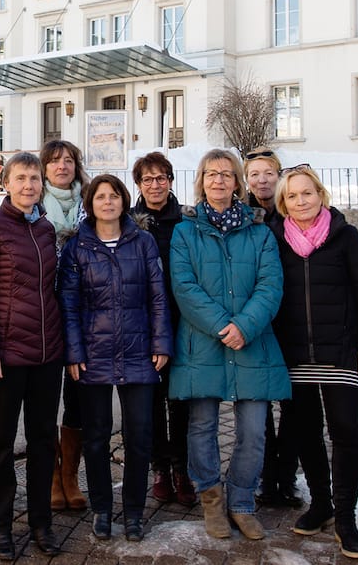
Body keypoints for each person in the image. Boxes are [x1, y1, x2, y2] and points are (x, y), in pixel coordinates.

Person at [168, 148, 290, 541]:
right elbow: (184, 287)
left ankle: (241, 501)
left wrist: (245, 326)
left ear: (238, 182)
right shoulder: (185, 231)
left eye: (226, 174)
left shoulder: (259, 232)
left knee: (253, 430)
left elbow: (271, 285)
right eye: (211, 174)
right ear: (201, 181)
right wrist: (224, 326)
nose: (218, 181)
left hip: (251, 342)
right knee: (201, 426)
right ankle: (211, 500)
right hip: (203, 342)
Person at [271, 164, 358, 559]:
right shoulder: (276, 239)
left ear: (321, 195)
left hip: (341, 353)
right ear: (283, 204)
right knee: (305, 432)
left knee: (345, 432)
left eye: (307, 193)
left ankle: (346, 518)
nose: (301, 201)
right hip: (295, 354)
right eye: (292, 196)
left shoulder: (345, 236)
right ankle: (321, 503)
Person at [59, 174, 172, 542]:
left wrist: (161, 343)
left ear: (124, 201)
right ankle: (103, 510)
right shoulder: (78, 247)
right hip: (93, 354)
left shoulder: (143, 242)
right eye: (100, 197)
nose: (107, 202)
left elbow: (158, 297)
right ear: (90, 204)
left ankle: (135, 512)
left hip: (139, 351)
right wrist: (74, 351)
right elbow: (69, 305)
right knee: (96, 436)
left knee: (139, 436)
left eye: (114, 196)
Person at [0, 151, 64, 560]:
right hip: (4, 359)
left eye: (34, 178)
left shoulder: (45, 228)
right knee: (0, 444)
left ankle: (41, 520)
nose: (29, 185)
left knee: (44, 441)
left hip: (46, 356)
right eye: (20, 178)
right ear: (5, 182)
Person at [130, 152, 196, 507]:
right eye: (147, 179)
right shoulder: (129, 222)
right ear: (138, 185)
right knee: (152, 401)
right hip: (143, 326)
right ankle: (160, 467)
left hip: (183, 322)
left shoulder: (188, 221)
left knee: (181, 399)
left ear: (171, 180)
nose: (154, 185)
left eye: (161, 178)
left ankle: (183, 468)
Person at [243, 146, 303, 509]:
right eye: (254, 174)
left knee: (293, 405)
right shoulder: (245, 217)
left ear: (278, 175)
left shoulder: (292, 211)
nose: (262, 180)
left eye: (268, 173)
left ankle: (287, 476)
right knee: (259, 407)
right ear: (246, 180)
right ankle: (266, 477)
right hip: (258, 322)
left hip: (292, 321)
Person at [39, 139, 91, 512]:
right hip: (40, 317)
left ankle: (70, 475)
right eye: (55, 160)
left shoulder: (91, 205)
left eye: (68, 160)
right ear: (43, 168)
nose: (62, 166)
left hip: (82, 318)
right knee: (43, 400)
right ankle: (52, 475)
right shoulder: (32, 204)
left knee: (78, 398)